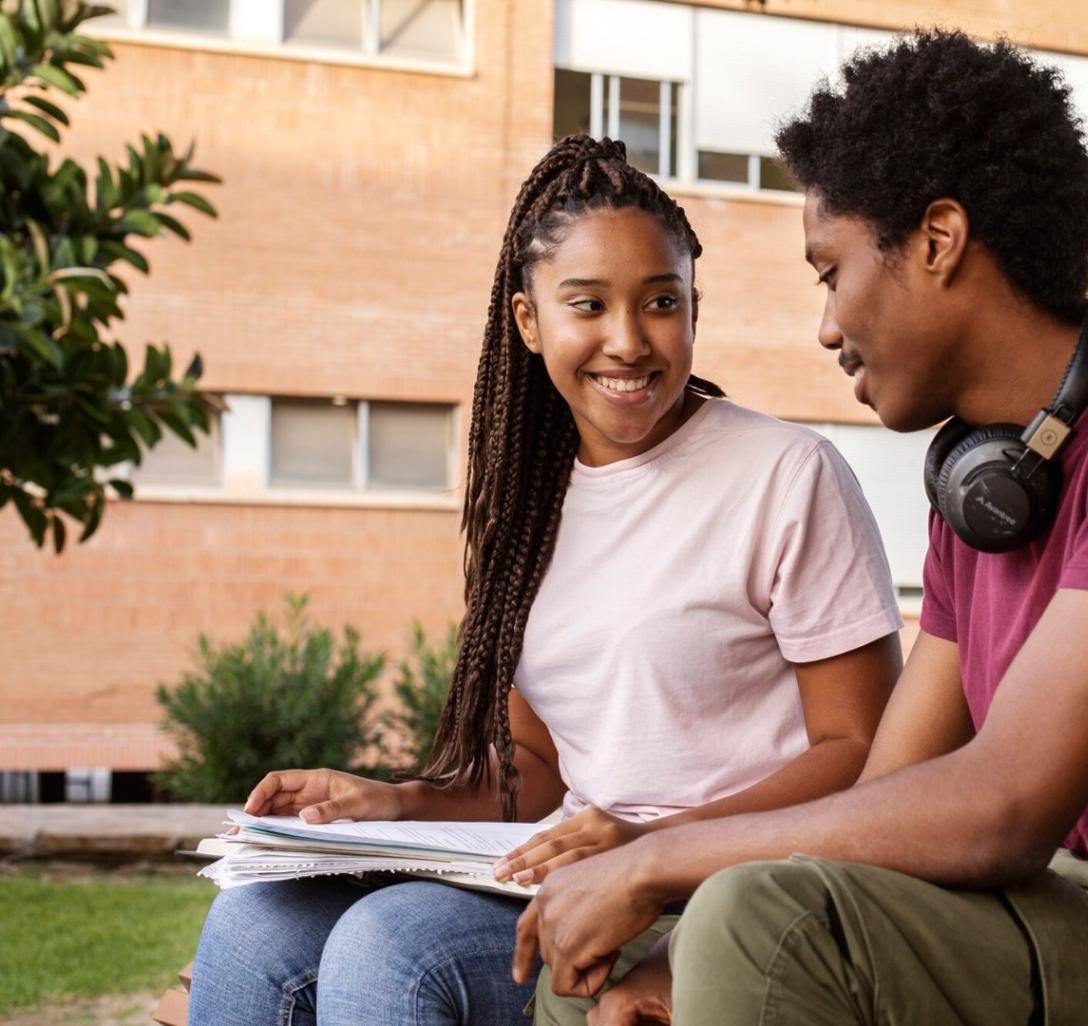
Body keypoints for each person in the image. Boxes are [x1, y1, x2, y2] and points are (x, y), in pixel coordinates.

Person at [517, 32, 1088, 1026]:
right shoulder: (983, 490)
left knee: (758, 920)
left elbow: (1004, 809)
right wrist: (659, 942)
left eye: (830, 270)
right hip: (1084, 919)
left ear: (936, 240)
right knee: (603, 964)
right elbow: (887, 792)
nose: (826, 324)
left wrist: (659, 854)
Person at [187, 135, 904, 1026]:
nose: (628, 341)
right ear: (529, 323)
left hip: (729, 888)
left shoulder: (786, 474)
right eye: (587, 305)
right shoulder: (524, 508)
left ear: (693, 307)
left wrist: (651, 845)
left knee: (391, 947)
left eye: (660, 303)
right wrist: (401, 799)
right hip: (573, 866)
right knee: (256, 923)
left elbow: (860, 750)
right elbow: (536, 762)